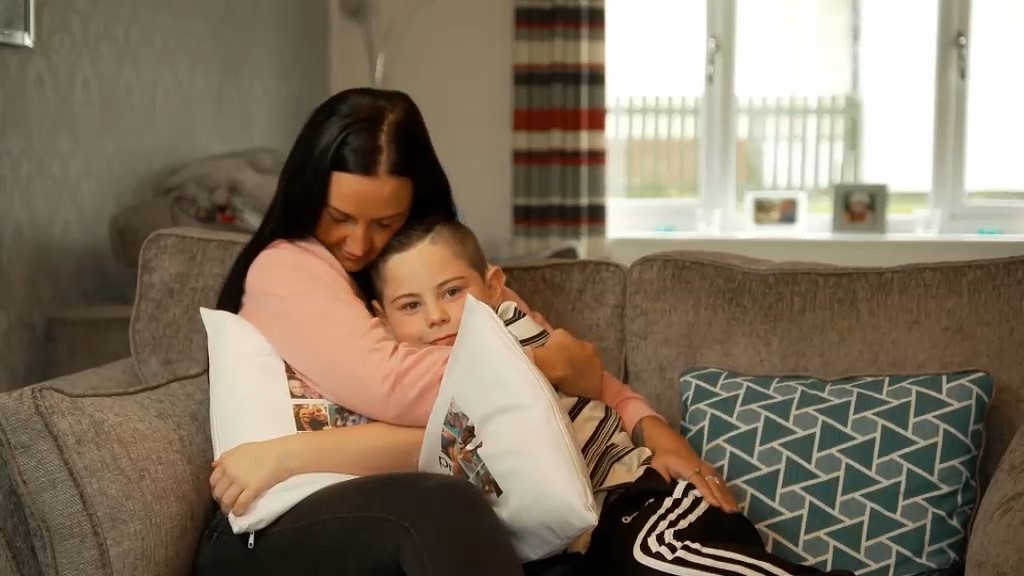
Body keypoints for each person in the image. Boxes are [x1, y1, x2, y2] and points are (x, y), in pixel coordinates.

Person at [193, 87, 715, 576]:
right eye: (339, 217)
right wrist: (541, 371)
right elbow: (398, 386)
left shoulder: (440, 266)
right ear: (308, 197)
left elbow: (557, 361)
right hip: (282, 518)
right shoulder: (287, 266)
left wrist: (651, 427)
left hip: (395, 500)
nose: (358, 243)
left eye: (385, 222)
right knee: (446, 501)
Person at [364, 218, 856, 576]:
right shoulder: (401, 378)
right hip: (580, 542)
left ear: (493, 288)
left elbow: (571, 361)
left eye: (452, 292)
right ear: (381, 319)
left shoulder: (506, 333)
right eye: (411, 305)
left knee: (651, 556)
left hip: (640, 499)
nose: (436, 316)